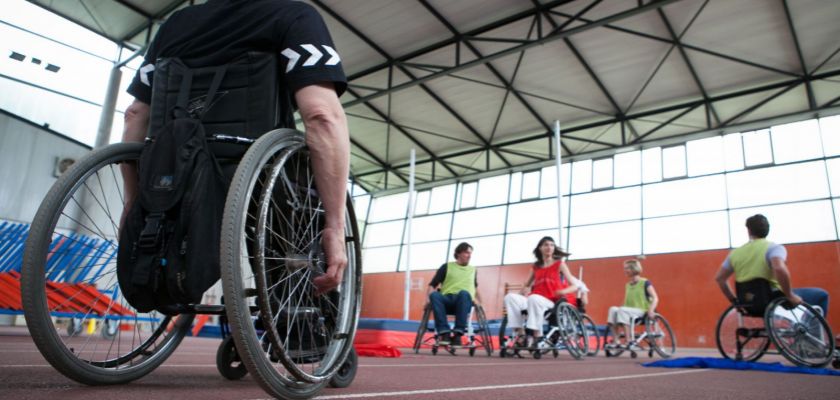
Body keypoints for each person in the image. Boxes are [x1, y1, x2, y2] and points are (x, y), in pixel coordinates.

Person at [121, 0, 349, 295]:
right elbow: (321, 115)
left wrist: (134, 204)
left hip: (178, 174)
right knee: (307, 195)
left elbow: (135, 115)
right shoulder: (293, 14)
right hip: (257, 174)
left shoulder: (174, 26)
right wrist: (335, 226)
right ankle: (300, 322)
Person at [714, 214, 830, 315]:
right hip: (774, 298)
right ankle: (809, 333)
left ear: (749, 231)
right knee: (821, 295)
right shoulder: (773, 248)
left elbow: (720, 279)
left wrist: (735, 301)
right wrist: (789, 295)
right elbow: (779, 268)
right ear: (767, 230)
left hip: (748, 303)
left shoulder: (735, 254)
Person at [504, 236, 578, 347]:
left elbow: (574, 286)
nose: (549, 247)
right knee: (510, 297)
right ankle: (521, 334)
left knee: (534, 298)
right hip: (534, 300)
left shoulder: (559, 264)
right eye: (546, 245)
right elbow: (526, 285)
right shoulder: (536, 266)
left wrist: (563, 291)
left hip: (550, 302)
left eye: (552, 245)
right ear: (540, 248)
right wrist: (519, 298)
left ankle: (537, 335)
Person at [425, 242, 482, 347]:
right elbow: (432, 285)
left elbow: (475, 287)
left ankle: (458, 334)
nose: (469, 255)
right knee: (434, 295)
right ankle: (444, 333)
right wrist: (426, 301)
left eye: (470, 253)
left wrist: (481, 303)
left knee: (464, 293)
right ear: (458, 253)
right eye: (466, 253)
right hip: (447, 300)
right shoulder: (446, 267)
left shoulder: (473, 270)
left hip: (464, 301)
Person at [605, 257, 659, 345]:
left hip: (642, 311)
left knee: (622, 310)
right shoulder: (628, 285)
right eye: (624, 268)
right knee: (612, 309)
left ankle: (629, 340)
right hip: (628, 311)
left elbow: (655, 298)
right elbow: (626, 301)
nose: (625, 270)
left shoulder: (645, 282)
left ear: (634, 269)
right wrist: (618, 309)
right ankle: (616, 339)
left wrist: (651, 310)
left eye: (627, 268)